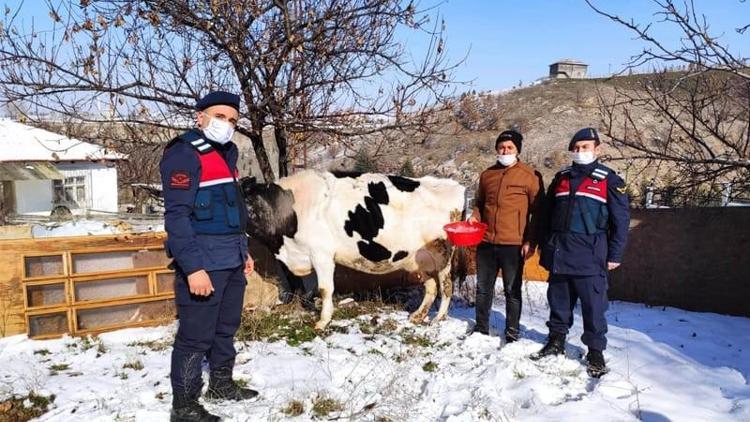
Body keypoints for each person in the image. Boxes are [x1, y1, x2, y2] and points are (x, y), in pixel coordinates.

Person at [160, 91, 258, 422]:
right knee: (195, 336)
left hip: (231, 259)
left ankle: (221, 384)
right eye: (219, 117)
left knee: (225, 328)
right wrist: (193, 268)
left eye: (232, 120)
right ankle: (184, 406)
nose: (226, 125)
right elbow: (176, 217)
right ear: (200, 116)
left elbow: (231, 211)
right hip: (203, 261)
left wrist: (244, 252)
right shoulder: (184, 154)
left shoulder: (226, 152)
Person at [531, 127, 630, 378]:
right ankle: (556, 341)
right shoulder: (561, 177)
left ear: (597, 149)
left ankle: (595, 352)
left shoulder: (609, 179)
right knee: (559, 302)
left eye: (585, 147)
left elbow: (621, 220)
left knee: (593, 307)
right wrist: (542, 243)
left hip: (590, 256)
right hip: (560, 253)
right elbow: (546, 215)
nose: (579, 152)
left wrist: (615, 254)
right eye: (576, 148)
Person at [468, 129, 545, 343]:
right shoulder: (487, 175)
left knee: (512, 290)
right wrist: (475, 217)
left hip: (513, 244)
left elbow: (538, 213)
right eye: (501, 147)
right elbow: (479, 204)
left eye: (510, 147)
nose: (505, 150)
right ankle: (481, 327)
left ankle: (512, 331)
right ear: (496, 149)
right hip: (486, 242)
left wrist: (531, 241)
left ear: (517, 150)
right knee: (483, 289)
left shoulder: (530, 176)